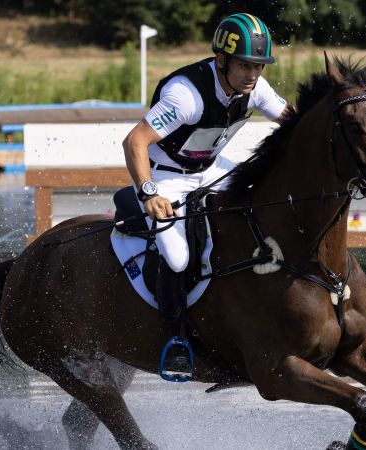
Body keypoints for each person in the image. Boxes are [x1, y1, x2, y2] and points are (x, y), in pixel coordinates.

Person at [122, 13, 290, 381]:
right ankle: (175, 338)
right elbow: (134, 141)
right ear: (221, 60)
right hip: (165, 177)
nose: (252, 75)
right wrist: (148, 193)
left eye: (259, 66)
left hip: (211, 172)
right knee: (179, 258)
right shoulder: (186, 96)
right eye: (245, 65)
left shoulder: (255, 89)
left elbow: (294, 123)